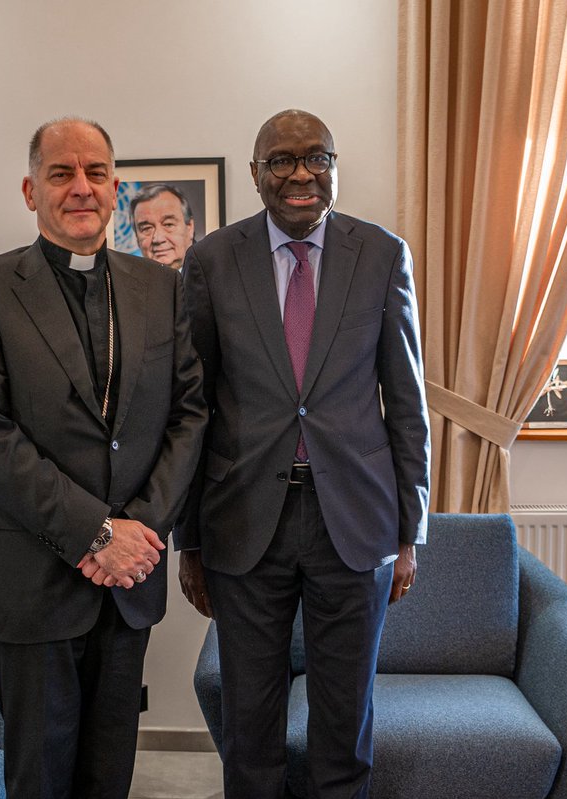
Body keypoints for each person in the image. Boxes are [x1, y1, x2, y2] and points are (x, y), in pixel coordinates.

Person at [0, 116, 207, 799]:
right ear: (31, 191)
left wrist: (140, 534)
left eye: (95, 173)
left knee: (109, 776)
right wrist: (97, 533)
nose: (80, 187)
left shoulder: (160, 288)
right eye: (62, 173)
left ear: (116, 189)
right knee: (39, 778)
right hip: (29, 583)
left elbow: (189, 414)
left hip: (127, 585)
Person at [176, 109, 430, 799]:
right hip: (242, 522)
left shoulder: (380, 255)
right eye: (281, 161)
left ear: (335, 166)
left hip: (354, 521)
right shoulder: (209, 261)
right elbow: (192, 409)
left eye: (316, 158)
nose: (300, 175)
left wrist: (411, 530)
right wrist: (189, 539)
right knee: (249, 728)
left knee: (343, 729)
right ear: (256, 175)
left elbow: (406, 400)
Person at [129, 182, 196, 271]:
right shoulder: (125, 281)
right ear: (137, 238)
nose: (158, 239)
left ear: (190, 227)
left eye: (168, 224)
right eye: (146, 228)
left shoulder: (214, 274)